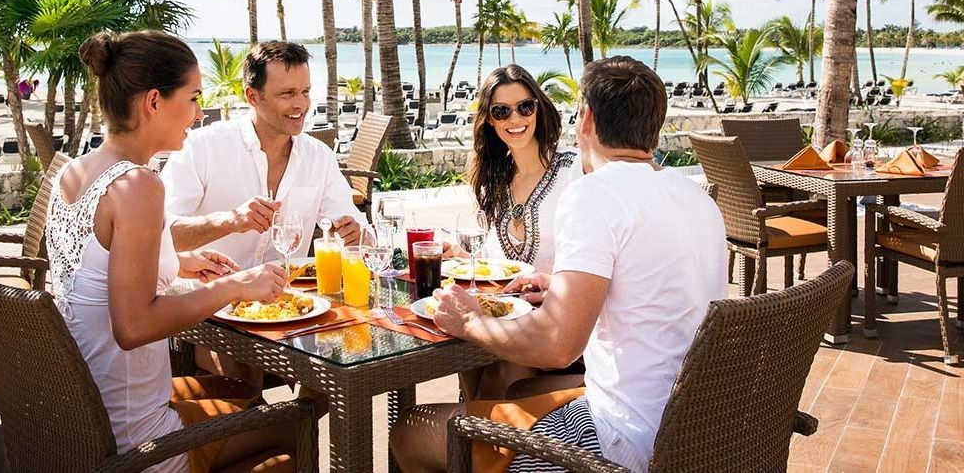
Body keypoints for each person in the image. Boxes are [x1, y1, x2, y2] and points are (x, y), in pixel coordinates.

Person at [390, 56, 727, 473]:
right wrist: (560, 284)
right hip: (695, 423)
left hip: (619, 440)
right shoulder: (695, 196)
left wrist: (469, 323)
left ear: (584, 120)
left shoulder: (592, 194)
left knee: (410, 429)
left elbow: (556, 346)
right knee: (512, 391)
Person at [43, 30, 295, 473]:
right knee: (300, 422)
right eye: (193, 98)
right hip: (135, 439)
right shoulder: (137, 185)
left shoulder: (76, 171)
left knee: (246, 396)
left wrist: (178, 264)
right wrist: (236, 286)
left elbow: (94, 275)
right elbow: (133, 326)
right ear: (154, 102)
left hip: (77, 413)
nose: (198, 115)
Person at [164, 40, 364, 267]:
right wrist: (230, 220)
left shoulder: (319, 157)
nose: (301, 104)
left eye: (305, 92)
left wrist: (355, 235)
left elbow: (356, 228)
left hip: (296, 299)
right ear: (252, 96)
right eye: (287, 94)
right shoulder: (201, 147)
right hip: (213, 297)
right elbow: (160, 236)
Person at [459, 64, 583, 400]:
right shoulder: (495, 183)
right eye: (502, 111)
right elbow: (491, 264)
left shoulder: (574, 171)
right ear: (489, 120)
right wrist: (459, 256)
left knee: (499, 368)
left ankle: (478, 439)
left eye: (525, 107)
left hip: (563, 325)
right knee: (466, 353)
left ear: (539, 109)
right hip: (510, 316)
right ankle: (474, 437)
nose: (515, 119)